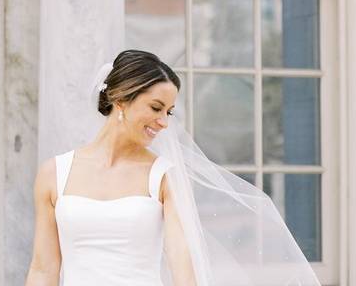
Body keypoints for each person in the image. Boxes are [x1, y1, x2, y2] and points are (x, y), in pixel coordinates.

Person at [24, 49, 321, 286]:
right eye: (155, 108)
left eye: (169, 112)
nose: (164, 122)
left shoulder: (163, 177)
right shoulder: (54, 174)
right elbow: (43, 269)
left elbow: (182, 264)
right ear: (121, 99)